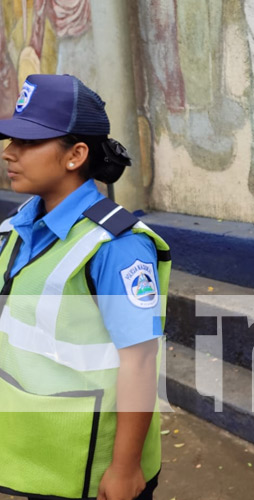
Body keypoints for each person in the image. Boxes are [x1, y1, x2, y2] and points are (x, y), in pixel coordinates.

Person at [0, 74, 170, 500]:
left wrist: (125, 468)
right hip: (32, 458)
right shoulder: (20, 228)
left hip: (90, 471)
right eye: (10, 140)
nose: (9, 153)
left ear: (76, 155)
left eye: (27, 143)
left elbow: (140, 362)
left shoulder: (117, 246)